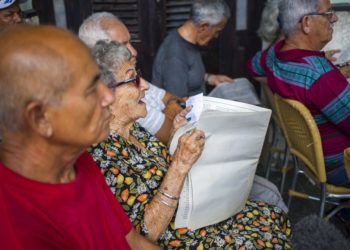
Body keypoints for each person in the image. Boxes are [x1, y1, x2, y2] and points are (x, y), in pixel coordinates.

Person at [89, 40, 292, 249]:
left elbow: (155, 168)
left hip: (194, 210)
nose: (145, 86)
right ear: (105, 95)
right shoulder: (102, 156)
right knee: (262, 240)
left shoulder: (133, 128)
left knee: (271, 214)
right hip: (178, 233)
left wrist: (176, 134)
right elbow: (144, 236)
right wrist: (179, 165)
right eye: (133, 79)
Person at [0, 25, 160, 249]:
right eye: (89, 89)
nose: (107, 96)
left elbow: (132, 241)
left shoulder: (77, 161)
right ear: (40, 118)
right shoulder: (17, 227)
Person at [248, 0, 350, 187]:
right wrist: (327, 77)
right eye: (328, 14)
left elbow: (253, 67)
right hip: (338, 165)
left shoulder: (275, 55)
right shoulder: (319, 76)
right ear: (306, 23)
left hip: (310, 160)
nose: (334, 18)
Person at [79, 12, 184, 144]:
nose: (134, 51)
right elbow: (172, 135)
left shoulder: (132, 79)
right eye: (122, 46)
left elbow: (170, 97)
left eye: (130, 42)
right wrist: (170, 108)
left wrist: (171, 105)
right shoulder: (125, 99)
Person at [152, 0, 261, 106]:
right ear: (203, 27)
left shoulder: (189, 41)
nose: (216, 36)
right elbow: (178, 103)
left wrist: (210, 78)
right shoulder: (175, 55)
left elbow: (186, 74)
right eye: (217, 31)